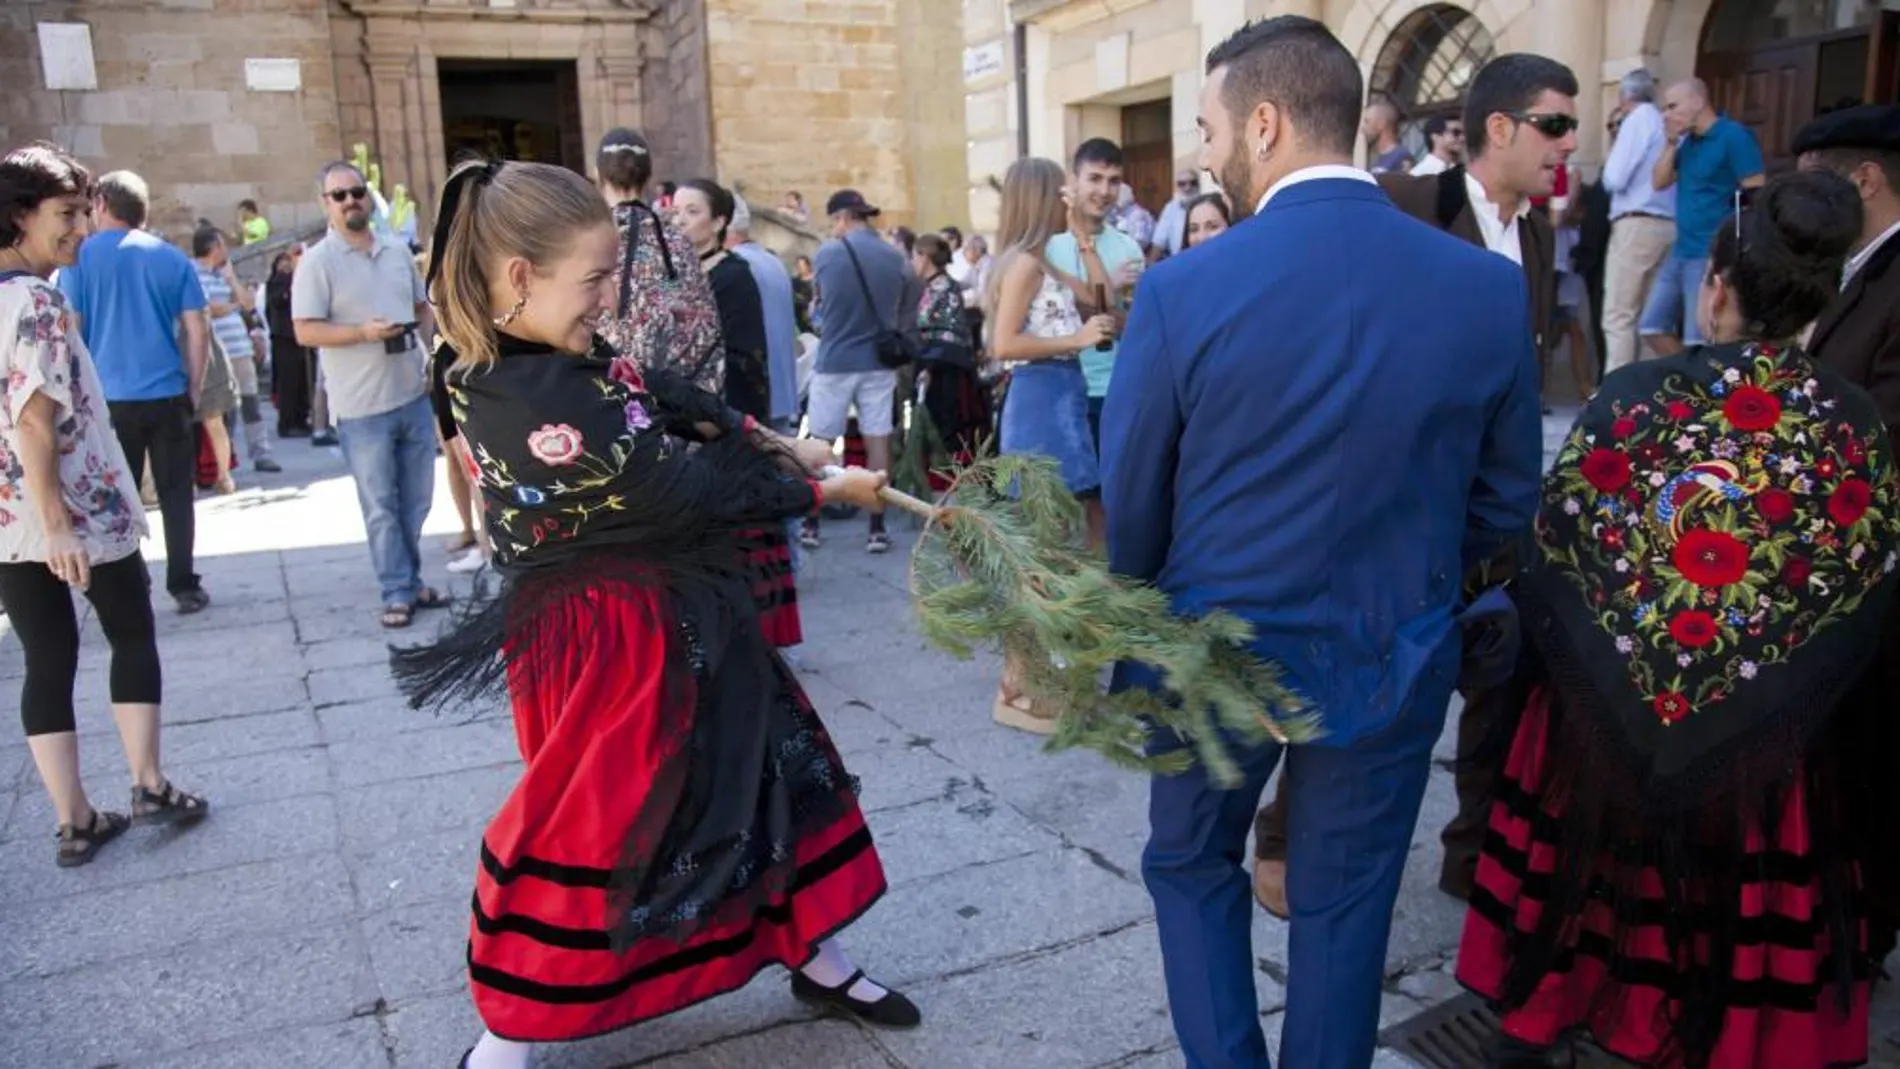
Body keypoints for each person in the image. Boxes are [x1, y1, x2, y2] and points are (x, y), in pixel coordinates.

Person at [396, 158, 917, 1069]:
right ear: (520, 276)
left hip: (668, 616)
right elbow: (684, 491)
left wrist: (772, 436)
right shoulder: (524, 394)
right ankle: (512, 1024)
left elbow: (657, 387)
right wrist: (829, 486)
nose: (608, 298)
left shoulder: (530, 351)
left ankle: (811, 949)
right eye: (594, 280)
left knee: (768, 776)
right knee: (597, 822)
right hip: (615, 645)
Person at [1103, 18, 1541, 1069]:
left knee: (1190, 862)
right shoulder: (1483, 285)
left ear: (1262, 122)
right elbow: (1505, 497)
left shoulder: (1179, 287)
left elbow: (1133, 496)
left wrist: (1135, 610)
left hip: (1212, 638)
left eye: (1208, 128)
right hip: (1393, 635)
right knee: (1346, 901)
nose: (1207, 153)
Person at [1456, 168, 1895, 1069]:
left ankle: (1563, 1002)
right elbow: (1862, 599)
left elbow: (1557, 561)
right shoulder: (1853, 425)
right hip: (1770, 751)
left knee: (1594, 777)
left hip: (1605, 735)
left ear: (1716, 286)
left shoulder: (1633, 396)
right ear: (1823, 296)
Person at [1252, 52, 1577, 918]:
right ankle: (1282, 832)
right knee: (1340, 671)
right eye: (1554, 124)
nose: (1567, 144)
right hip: (1386, 499)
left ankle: (1472, 853)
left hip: (1492, 503)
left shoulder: (1537, 234)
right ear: (1498, 128)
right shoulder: (1406, 205)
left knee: (1496, 676)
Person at [0, 143, 209, 868]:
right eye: (65, 215)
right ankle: (148, 783)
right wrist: (60, 523)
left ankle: (74, 818)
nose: (81, 233)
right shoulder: (38, 300)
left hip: (9, 517)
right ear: (19, 216)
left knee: (46, 658)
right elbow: (34, 417)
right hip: (77, 507)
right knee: (130, 631)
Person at [1795, 103, 1900, 964]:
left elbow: (1881, 432)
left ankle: (1860, 934)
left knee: (1869, 764)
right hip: (1831, 567)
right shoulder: (1850, 269)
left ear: (1863, 178)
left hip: (1872, 572)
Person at [986, 156, 1116, 736]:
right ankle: (1017, 687)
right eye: (1060, 185)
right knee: (1039, 554)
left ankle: (1042, 678)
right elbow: (1003, 344)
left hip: (1058, 402)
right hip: (1042, 403)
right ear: (1041, 195)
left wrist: (1086, 241)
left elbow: (1098, 298)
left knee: (1057, 548)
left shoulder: (1041, 260)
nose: (1071, 190)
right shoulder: (1023, 265)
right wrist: (1077, 338)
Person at [291, 160, 443, 629]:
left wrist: (430, 351)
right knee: (381, 507)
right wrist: (362, 332)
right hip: (361, 408)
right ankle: (396, 589)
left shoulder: (397, 251)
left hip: (411, 393)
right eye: (339, 195)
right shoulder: (318, 262)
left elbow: (422, 308)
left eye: (356, 192)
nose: (350, 201)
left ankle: (411, 579)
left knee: (417, 501)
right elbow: (304, 331)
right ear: (326, 205)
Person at [57, 169, 212, 614]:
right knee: (177, 493)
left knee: (116, 496)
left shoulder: (81, 259)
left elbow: (74, 331)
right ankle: (183, 583)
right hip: (167, 392)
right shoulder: (171, 257)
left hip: (108, 400)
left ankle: (133, 578)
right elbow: (196, 329)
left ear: (102, 204)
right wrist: (194, 386)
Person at [677, 178, 802, 648]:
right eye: (677, 210)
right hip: (698, 422)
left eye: (692, 211)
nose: (681, 219)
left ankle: (757, 640)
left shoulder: (732, 275)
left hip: (729, 421)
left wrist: (729, 422)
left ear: (719, 221)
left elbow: (744, 360)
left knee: (747, 532)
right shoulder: (685, 274)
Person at [803, 189, 909, 554]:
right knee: (878, 439)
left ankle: (812, 522)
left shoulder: (829, 254)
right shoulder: (894, 256)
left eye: (834, 222)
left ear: (843, 218)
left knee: (821, 442)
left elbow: (820, 310)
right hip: (878, 361)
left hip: (835, 360)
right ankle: (876, 527)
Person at [593, 128, 724, 394]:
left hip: (601, 395)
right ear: (648, 178)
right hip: (672, 401)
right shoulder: (677, 241)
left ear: (599, 175)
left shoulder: (583, 237)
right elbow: (702, 327)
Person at [1640, 78, 1765, 358]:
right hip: (1681, 249)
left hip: (1710, 251)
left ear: (1698, 101)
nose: (1666, 114)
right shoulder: (1688, 144)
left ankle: (1699, 394)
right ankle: (1689, 381)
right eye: (1664, 108)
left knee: (1700, 335)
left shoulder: (1733, 136)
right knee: (1651, 326)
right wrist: (1671, 142)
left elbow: (1756, 189)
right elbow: (1659, 182)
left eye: (1672, 106)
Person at [1047, 138, 1144, 450]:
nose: (1104, 191)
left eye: (1114, 181)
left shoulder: (1128, 247)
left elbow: (1137, 326)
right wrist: (1107, 290)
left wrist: (1106, 310)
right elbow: (1048, 319)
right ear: (1073, 181)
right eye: (1095, 179)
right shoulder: (1048, 245)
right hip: (1061, 388)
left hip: (1117, 388)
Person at [1600, 69, 1677, 375]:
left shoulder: (1638, 119)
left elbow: (1614, 178)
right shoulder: (1663, 120)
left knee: (1619, 315)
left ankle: (1614, 395)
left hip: (1636, 222)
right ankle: (1649, 397)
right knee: (1650, 319)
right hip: (1669, 224)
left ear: (1623, 97)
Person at [191, 224, 280, 477]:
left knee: (251, 400)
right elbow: (207, 308)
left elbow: (249, 303)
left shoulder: (223, 274)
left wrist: (231, 280)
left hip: (240, 349)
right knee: (222, 408)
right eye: (222, 244)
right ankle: (223, 462)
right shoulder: (194, 273)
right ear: (212, 247)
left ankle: (261, 453)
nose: (226, 250)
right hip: (217, 352)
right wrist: (234, 304)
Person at [910, 232, 988, 489]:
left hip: (943, 368)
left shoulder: (940, 289)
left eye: (914, 256)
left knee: (946, 423)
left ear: (925, 257)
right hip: (945, 363)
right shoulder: (941, 286)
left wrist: (927, 367)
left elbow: (938, 332)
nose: (912, 263)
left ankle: (946, 479)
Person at [265, 249, 313, 437]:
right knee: (289, 383)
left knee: (301, 382)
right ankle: (288, 422)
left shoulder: (297, 279)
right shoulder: (278, 282)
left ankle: (301, 419)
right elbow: (279, 301)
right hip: (284, 338)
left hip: (297, 337)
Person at [1151, 169, 1201, 262]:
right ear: (1176, 187)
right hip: (1178, 261)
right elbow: (1159, 239)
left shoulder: (1207, 206)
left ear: (1199, 185)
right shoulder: (1171, 208)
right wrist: (1151, 264)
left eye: (1193, 183)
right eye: (1182, 184)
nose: (1188, 188)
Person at [1362, 97, 1411, 174]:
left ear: (1381, 124)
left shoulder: (1401, 158)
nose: (1363, 128)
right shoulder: (1377, 160)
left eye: (1367, 122)